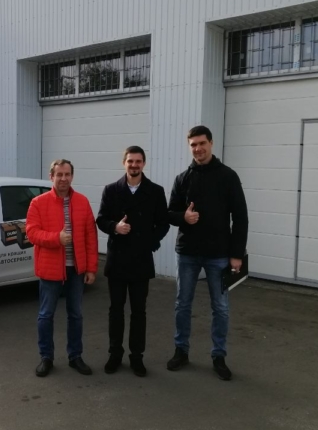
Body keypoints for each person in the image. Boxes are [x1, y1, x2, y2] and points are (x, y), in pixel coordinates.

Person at [166, 125, 248, 381]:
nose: (198, 149)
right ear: (189, 147)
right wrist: (183, 217)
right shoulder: (182, 178)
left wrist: (236, 254)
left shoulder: (228, 176)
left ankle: (219, 356)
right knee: (182, 304)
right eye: (193, 145)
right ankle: (181, 351)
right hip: (187, 253)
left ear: (211, 143)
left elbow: (241, 217)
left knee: (220, 308)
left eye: (202, 143)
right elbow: (169, 213)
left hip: (219, 255)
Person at [96, 146, 169, 376]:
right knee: (115, 310)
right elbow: (101, 219)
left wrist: (150, 242)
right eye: (130, 161)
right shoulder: (111, 190)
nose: (134, 165)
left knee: (139, 311)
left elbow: (163, 223)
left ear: (144, 163)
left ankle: (137, 357)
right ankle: (115, 354)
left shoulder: (155, 191)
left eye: (138, 161)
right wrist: (114, 227)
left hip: (140, 260)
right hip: (117, 259)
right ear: (124, 163)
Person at [26, 159, 98, 377]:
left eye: (67, 174)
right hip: (50, 270)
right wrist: (56, 238)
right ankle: (46, 357)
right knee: (46, 315)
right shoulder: (38, 203)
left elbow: (90, 236)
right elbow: (32, 233)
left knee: (76, 315)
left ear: (72, 176)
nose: (63, 179)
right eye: (59, 175)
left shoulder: (82, 202)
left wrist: (91, 268)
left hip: (76, 270)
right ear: (51, 177)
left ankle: (75, 356)